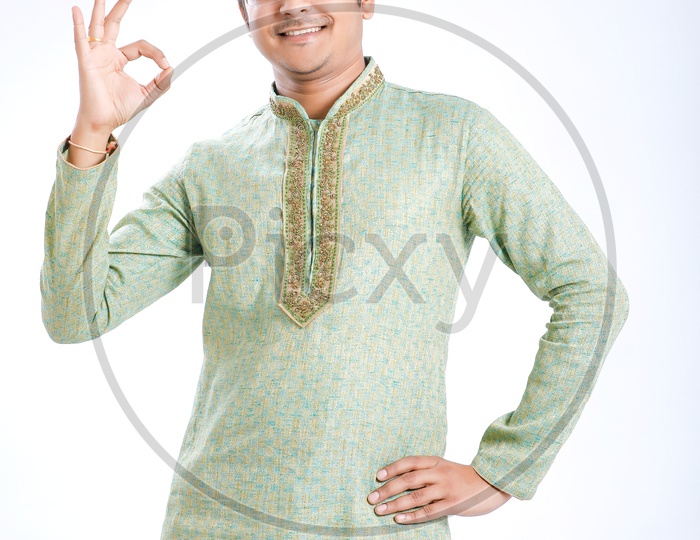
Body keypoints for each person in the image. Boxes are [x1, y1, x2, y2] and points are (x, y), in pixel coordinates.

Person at [40, 0, 630, 538]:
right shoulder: (211, 165)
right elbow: (75, 314)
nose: (295, 4)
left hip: (384, 521)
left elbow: (592, 292)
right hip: (214, 521)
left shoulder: (455, 138)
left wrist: (504, 469)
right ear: (244, 9)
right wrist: (92, 132)